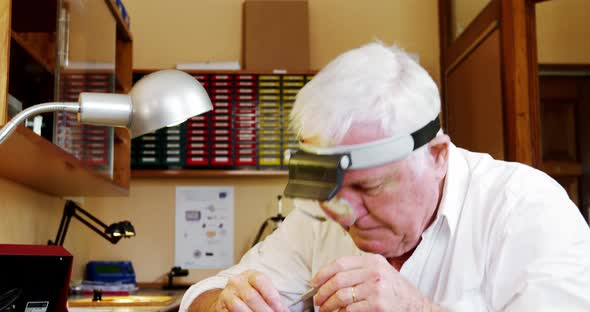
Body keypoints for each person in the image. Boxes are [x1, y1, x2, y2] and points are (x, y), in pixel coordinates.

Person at [180, 42, 590, 312]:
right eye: (331, 188)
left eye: (369, 187)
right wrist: (224, 304)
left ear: (437, 156)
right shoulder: (318, 220)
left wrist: (416, 308)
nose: (345, 213)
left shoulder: (525, 208)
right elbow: (201, 296)